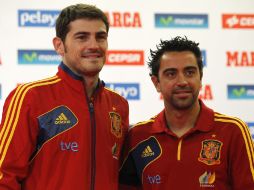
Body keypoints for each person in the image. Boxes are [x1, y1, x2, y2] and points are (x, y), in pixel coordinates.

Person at [0, 3, 129, 190]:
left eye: (100, 37)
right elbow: (4, 176)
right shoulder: (30, 97)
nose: (93, 45)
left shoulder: (119, 104)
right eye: (82, 37)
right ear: (59, 45)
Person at [119, 36, 254, 189]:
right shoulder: (137, 136)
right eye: (171, 74)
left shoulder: (233, 131)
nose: (182, 81)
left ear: (200, 78)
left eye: (189, 72)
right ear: (156, 83)